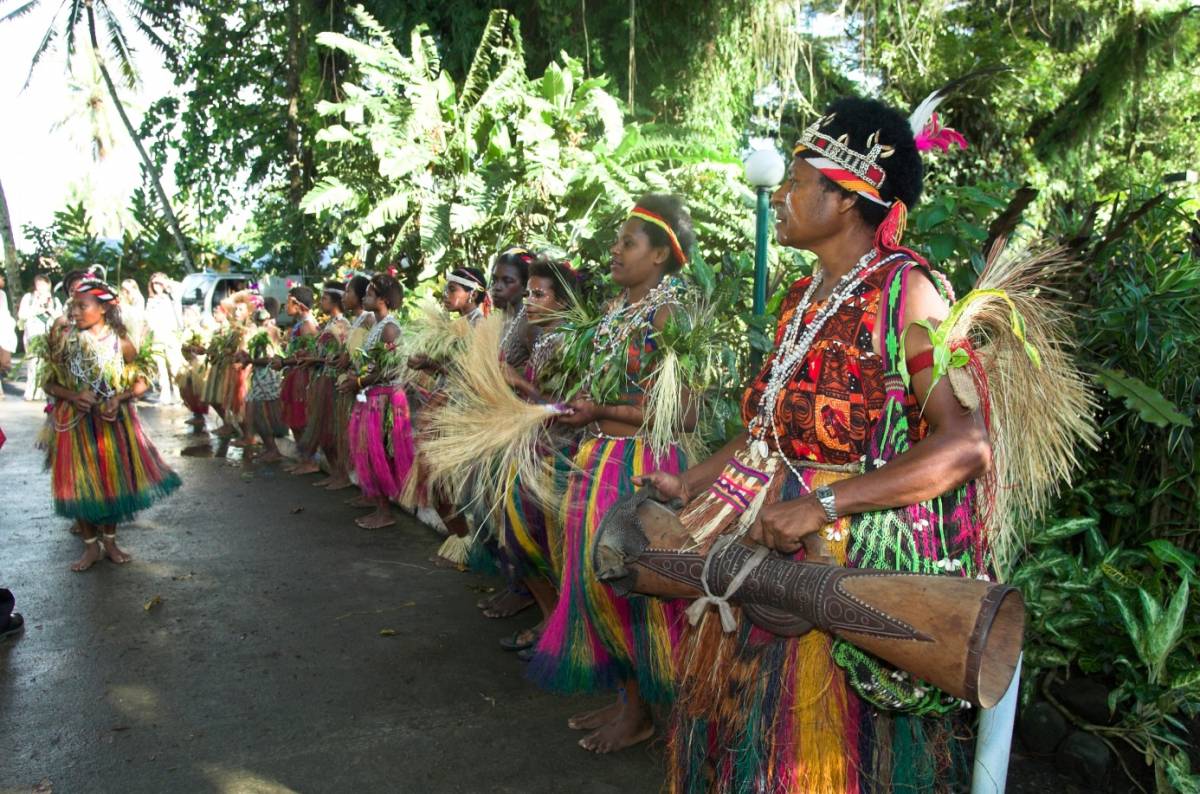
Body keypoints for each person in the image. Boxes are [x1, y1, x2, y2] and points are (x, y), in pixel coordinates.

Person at [633, 97, 1036, 793]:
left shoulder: (908, 293)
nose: (781, 197)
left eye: (795, 181)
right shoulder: (805, 296)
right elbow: (768, 433)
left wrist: (821, 504)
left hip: (840, 566)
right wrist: (694, 481)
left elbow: (967, 443)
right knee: (739, 741)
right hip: (763, 543)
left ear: (847, 197)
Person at [530, 194, 698, 754]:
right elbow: (606, 390)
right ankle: (630, 699)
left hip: (639, 467)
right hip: (595, 458)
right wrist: (586, 405)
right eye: (618, 239)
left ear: (660, 256)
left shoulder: (668, 315)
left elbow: (686, 410)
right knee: (592, 583)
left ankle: (646, 713)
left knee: (630, 588)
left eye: (629, 241)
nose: (616, 249)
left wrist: (600, 411)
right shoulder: (611, 313)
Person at [40, 278, 181, 571]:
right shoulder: (64, 340)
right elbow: (49, 383)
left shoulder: (121, 342)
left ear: (103, 308)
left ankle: (111, 541)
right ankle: (90, 548)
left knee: (112, 482)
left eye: (83, 306)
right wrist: (74, 395)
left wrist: (120, 398)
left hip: (112, 424)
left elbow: (143, 381)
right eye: (72, 306)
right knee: (79, 486)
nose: (75, 312)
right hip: (75, 425)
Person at [340, 274, 413, 530]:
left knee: (379, 452)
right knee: (370, 453)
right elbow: (373, 364)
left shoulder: (390, 328)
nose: (364, 298)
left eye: (370, 294)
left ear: (382, 300)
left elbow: (392, 370)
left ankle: (385, 512)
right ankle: (379, 507)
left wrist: (359, 382)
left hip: (385, 400)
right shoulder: (378, 326)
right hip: (372, 397)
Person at [294, 282, 349, 479]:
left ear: (335, 301)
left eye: (325, 298)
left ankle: (341, 475)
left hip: (333, 383)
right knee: (324, 433)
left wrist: (314, 359)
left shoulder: (343, 325)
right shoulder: (329, 324)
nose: (321, 301)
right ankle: (336, 473)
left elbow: (340, 358)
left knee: (332, 433)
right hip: (321, 380)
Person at [326, 275, 375, 491]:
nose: (345, 297)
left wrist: (359, 377)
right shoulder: (356, 321)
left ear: (362, 296)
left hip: (364, 387)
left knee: (365, 444)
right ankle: (364, 490)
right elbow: (350, 353)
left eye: (349, 292)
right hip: (353, 385)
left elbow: (375, 355)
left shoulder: (369, 319)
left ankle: (371, 493)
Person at [239, 305, 288, 462]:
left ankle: (273, 449)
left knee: (264, 412)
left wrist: (250, 360)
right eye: (258, 321)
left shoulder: (272, 331)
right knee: (254, 411)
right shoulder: (256, 333)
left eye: (263, 321)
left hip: (268, 376)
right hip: (259, 377)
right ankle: (269, 447)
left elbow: (270, 358)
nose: (261, 324)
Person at [276, 286, 319, 459]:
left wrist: (284, 362)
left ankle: (309, 460)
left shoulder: (307, 325)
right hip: (295, 375)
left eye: (288, 301)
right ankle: (305, 459)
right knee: (295, 420)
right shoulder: (301, 323)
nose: (285, 305)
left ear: (297, 304)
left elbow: (310, 355)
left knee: (301, 420)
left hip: (302, 378)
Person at [18, 274, 62, 400]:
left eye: (44, 285)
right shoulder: (29, 298)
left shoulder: (55, 300)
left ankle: (41, 391)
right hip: (32, 335)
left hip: (48, 335)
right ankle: (30, 390)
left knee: (45, 364)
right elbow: (22, 315)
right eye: (39, 284)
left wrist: (49, 309)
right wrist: (37, 307)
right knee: (33, 363)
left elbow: (59, 317)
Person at [145, 272, 183, 404]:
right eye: (154, 283)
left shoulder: (171, 297)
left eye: (159, 283)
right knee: (161, 367)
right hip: (157, 337)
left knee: (174, 366)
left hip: (171, 336)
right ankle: (165, 394)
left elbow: (179, 288)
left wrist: (165, 283)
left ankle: (178, 394)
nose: (157, 286)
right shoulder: (151, 300)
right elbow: (148, 319)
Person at [119, 279, 147, 345]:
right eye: (123, 289)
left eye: (127, 290)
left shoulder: (138, 298)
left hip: (134, 329)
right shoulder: (122, 298)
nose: (124, 291)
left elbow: (137, 316)